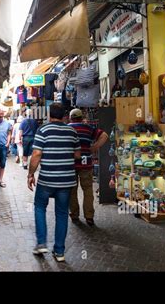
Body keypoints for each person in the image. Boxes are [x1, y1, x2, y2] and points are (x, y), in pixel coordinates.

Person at [28, 103, 81, 262]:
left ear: (49, 115)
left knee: (39, 207)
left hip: (47, 179)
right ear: (64, 116)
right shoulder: (72, 131)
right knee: (62, 213)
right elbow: (78, 155)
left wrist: (30, 174)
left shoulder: (43, 130)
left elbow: (37, 153)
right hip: (66, 180)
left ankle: (42, 243)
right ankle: (59, 252)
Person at [68, 108, 108, 226]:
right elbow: (104, 135)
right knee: (88, 190)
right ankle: (89, 216)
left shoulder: (67, 128)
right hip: (86, 163)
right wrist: (94, 147)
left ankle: (74, 215)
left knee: (72, 191)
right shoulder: (88, 128)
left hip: (71, 164)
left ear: (71, 118)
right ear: (81, 117)